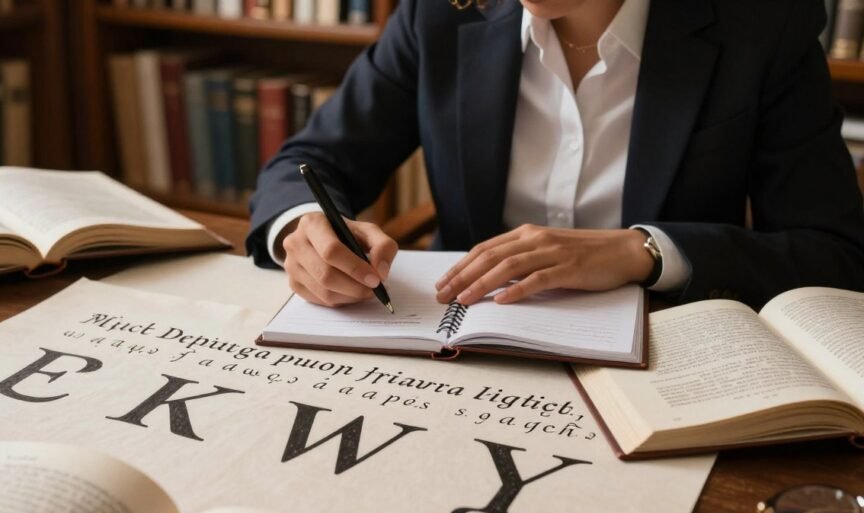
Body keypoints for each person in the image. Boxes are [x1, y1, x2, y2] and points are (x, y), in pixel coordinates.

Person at [245, 0, 864, 310]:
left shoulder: (763, 23)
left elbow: (834, 252)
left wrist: (643, 251)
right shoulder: (441, 12)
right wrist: (303, 228)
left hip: (668, 356)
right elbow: (311, 161)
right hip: (460, 340)